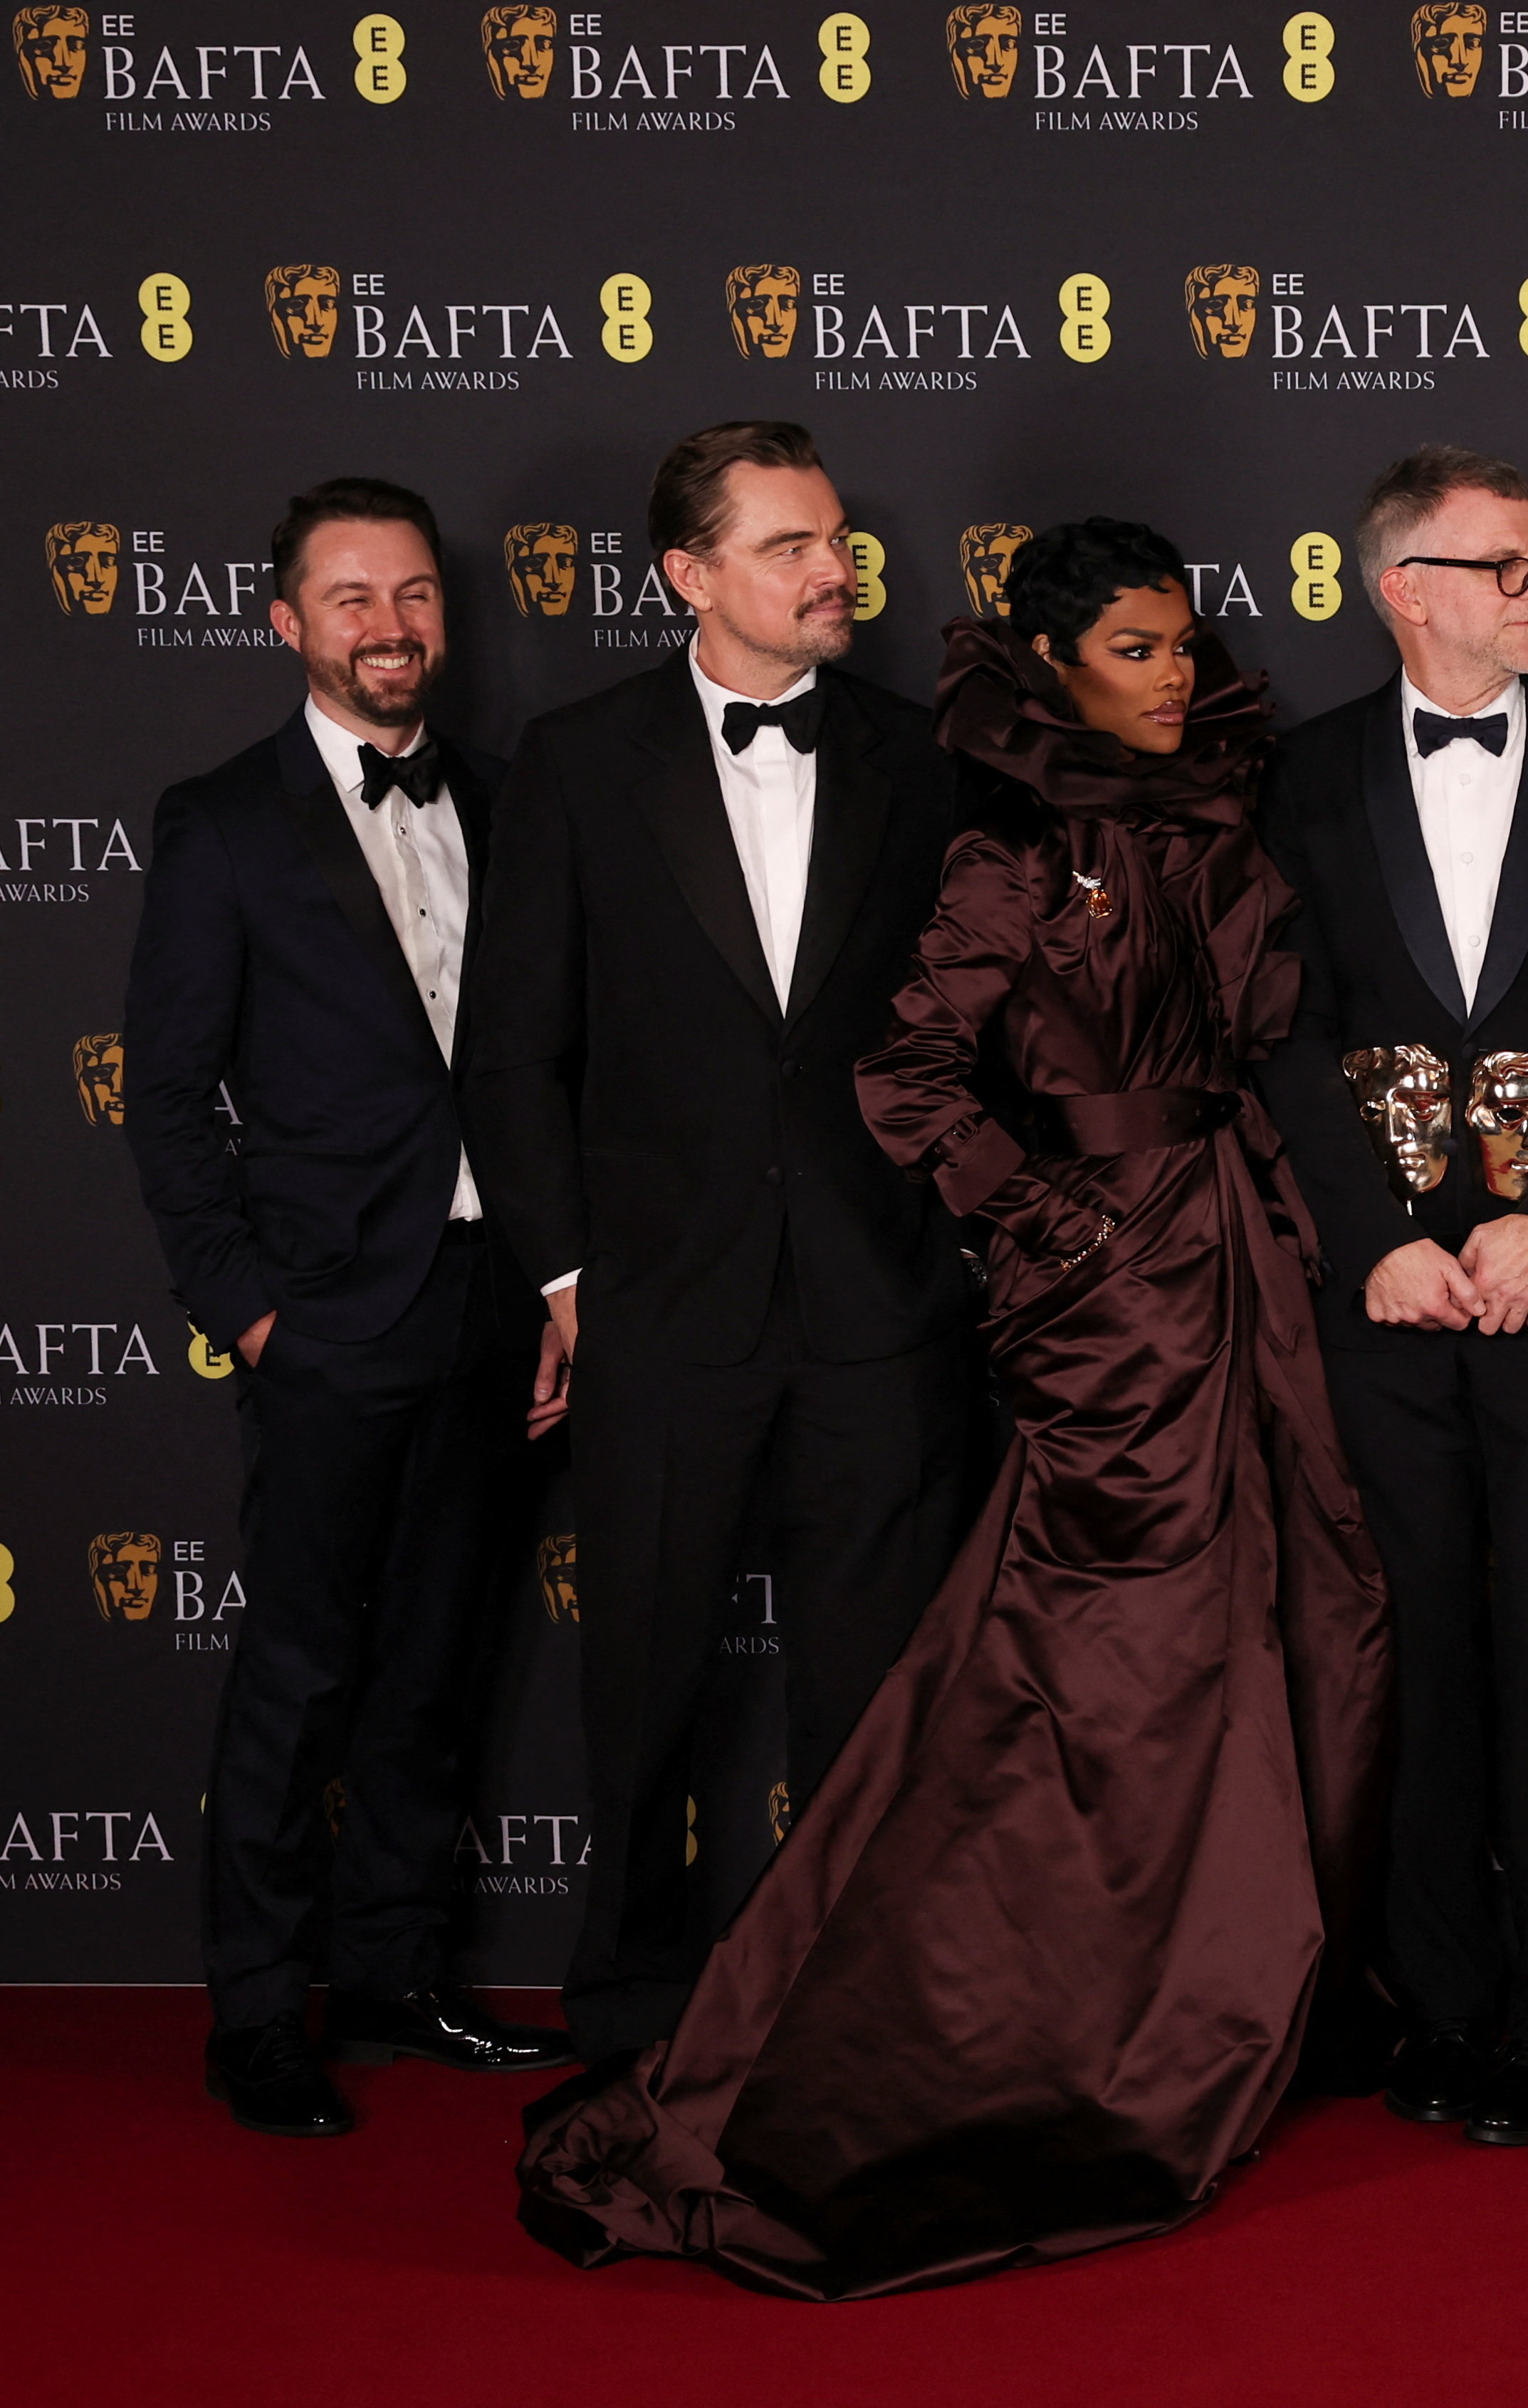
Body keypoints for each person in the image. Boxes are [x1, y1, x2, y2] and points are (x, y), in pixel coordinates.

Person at [516, 522, 1392, 2295]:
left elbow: (1253, 1038)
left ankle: (1215, 1988)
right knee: (1097, 1663)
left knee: (1282, 1613)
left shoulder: (1218, 811)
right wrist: (1043, 1210)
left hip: (1234, 1256)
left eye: (1180, 645)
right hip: (1105, 1299)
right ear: (1058, 665)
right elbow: (904, 1068)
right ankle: (1035, 2017)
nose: (1177, 676)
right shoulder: (1010, 847)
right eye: (1136, 650)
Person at [465, 422, 980, 2062]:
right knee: (648, 1690)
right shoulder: (577, 755)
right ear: (688, 573)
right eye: (787, 546)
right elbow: (509, 1049)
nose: (835, 569)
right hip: (661, 1311)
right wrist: (566, 1282)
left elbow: (976, 1040)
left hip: (879, 1304)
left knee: (875, 1698)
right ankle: (629, 2011)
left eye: (835, 538)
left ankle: (853, 2009)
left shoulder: (926, 760)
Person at [1254, 446, 1528, 2147]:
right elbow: (1283, 1032)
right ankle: (1433, 2000)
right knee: (1419, 1645)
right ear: (1404, 588)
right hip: (1383, 1287)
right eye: (1504, 566)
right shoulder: (1296, 780)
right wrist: (1371, 1230)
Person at [121, 476, 571, 2137]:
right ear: (286, 623)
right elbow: (167, 1096)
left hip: (492, 1302)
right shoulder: (223, 820)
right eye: (353, 599)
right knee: (301, 1665)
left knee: (439, 1660)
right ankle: (257, 2008)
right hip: (326, 1314)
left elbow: (545, 1071)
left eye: (414, 596)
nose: (391, 626)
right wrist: (244, 1307)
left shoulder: (515, 801)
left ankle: (392, 1973)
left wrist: (556, 1286)